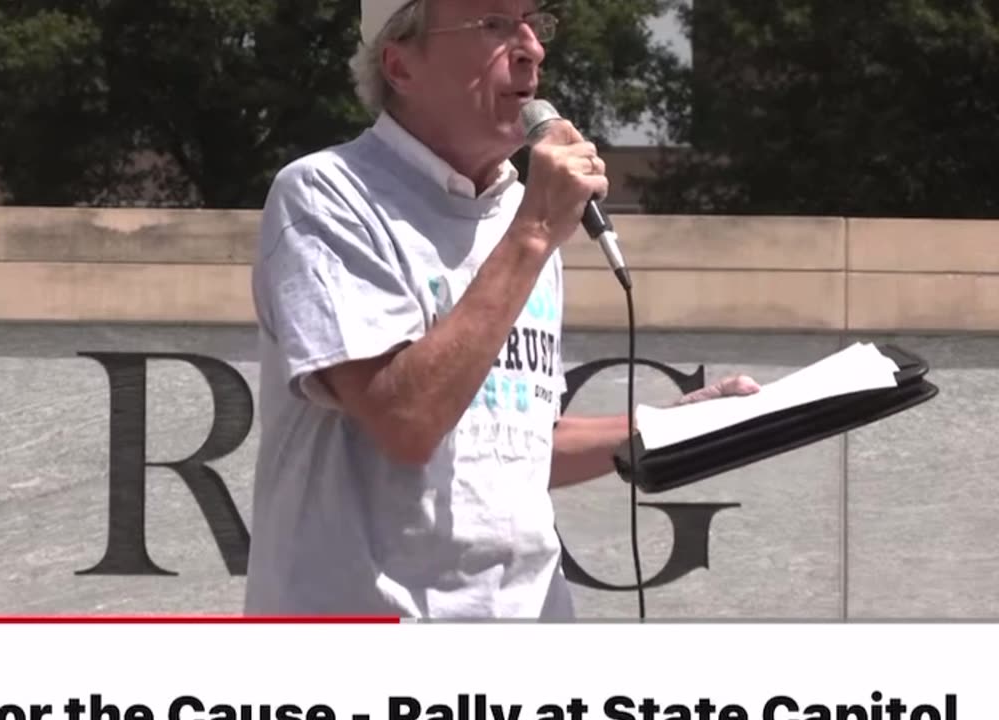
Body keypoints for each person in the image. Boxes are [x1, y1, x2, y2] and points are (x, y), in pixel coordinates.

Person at [243, 0, 759, 619]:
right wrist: (535, 229)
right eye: (492, 24)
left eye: (532, 23)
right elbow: (405, 419)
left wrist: (667, 426)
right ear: (400, 65)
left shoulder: (524, 214)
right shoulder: (328, 197)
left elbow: (512, 440)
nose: (531, 49)